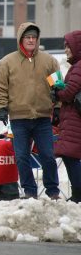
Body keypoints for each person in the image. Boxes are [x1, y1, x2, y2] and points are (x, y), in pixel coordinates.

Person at [0, 22, 60, 200]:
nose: (31, 40)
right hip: (19, 118)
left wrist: (58, 108)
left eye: (34, 37)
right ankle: (29, 191)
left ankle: (53, 191)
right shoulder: (7, 62)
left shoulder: (50, 62)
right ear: (21, 39)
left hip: (43, 118)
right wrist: (1, 107)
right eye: (27, 37)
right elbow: (0, 87)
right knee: (22, 157)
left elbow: (58, 87)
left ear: (37, 40)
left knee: (48, 156)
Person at [53, 30, 81, 203]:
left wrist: (57, 91)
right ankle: (77, 193)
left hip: (75, 119)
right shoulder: (76, 65)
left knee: (71, 156)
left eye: (68, 46)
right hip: (72, 118)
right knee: (71, 156)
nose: (66, 50)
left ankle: (78, 194)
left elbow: (69, 92)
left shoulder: (79, 66)